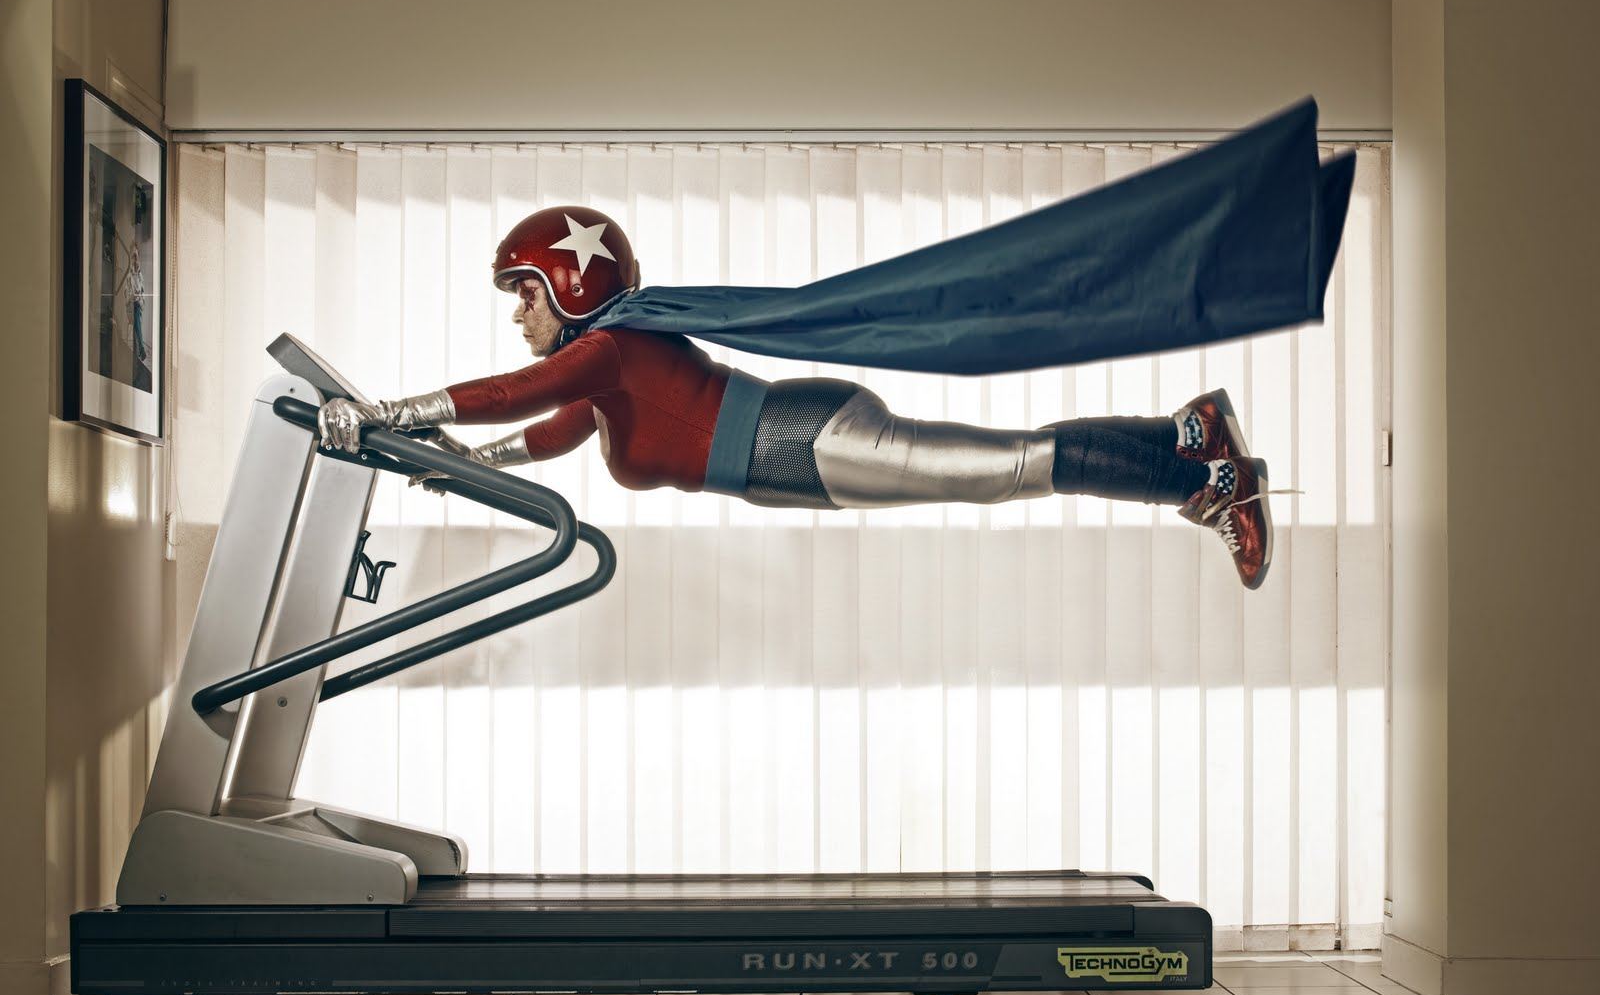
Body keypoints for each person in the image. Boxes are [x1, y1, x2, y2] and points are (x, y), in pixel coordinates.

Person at [320, 208, 1276, 588]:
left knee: (1008, 471)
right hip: (797, 463)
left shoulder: (607, 347)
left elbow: (510, 393)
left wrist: (384, 418)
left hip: (806, 439)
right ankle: (1187, 432)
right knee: (1006, 467)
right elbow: (547, 432)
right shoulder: (609, 374)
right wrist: (463, 470)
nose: (519, 311)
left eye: (526, 290)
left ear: (569, 284)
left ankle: (1209, 482)